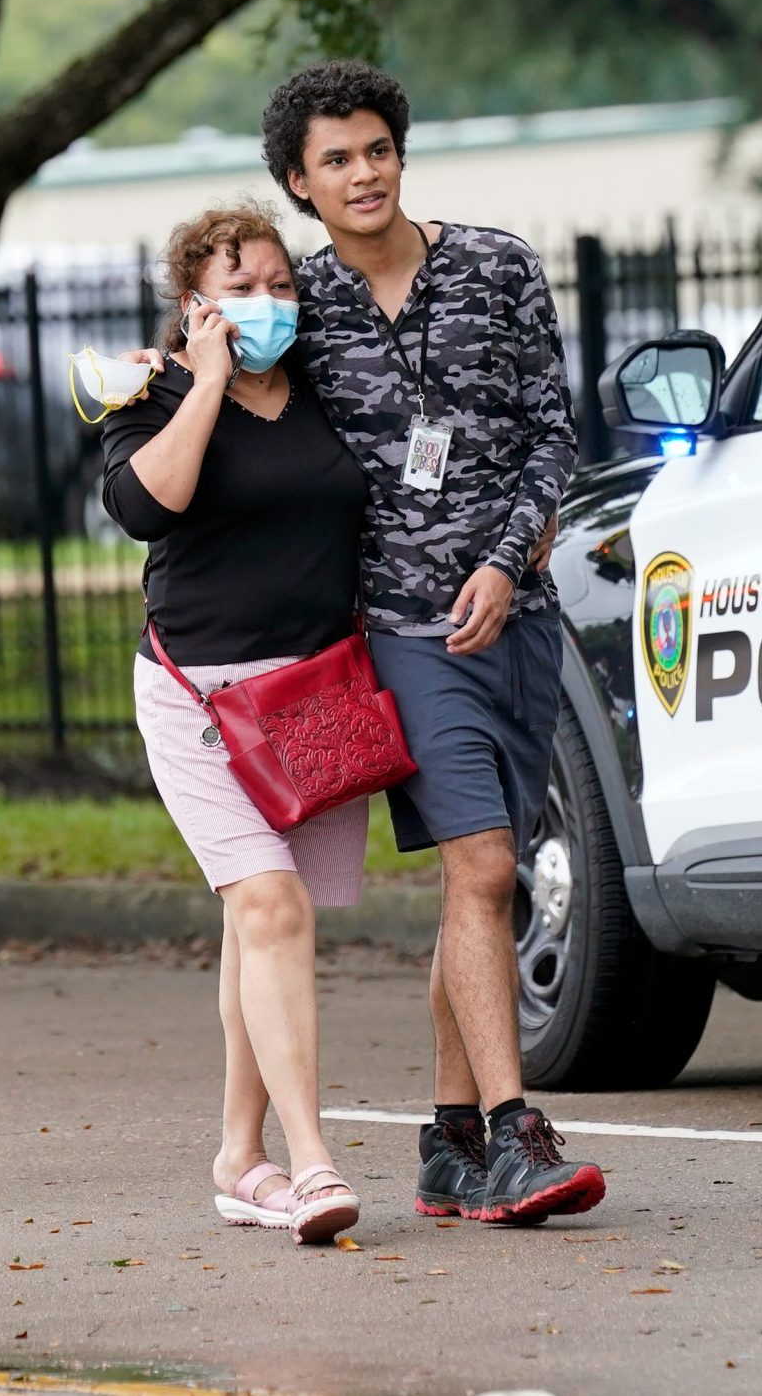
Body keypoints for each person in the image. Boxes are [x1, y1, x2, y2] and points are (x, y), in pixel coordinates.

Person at [261, 61, 605, 1225]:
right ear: (299, 186)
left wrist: (508, 562)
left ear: (400, 152)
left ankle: (449, 1141)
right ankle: (516, 1135)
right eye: (334, 161)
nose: (362, 174)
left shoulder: (497, 266)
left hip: (521, 619)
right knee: (484, 870)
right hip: (403, 638)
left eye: (375, 150)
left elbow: (552, 436)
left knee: (483, 885)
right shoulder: (300, 314)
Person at [98, 202, 368, 1246]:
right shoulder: (148, 390)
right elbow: (143, 506)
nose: (265, 305)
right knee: (271, 906)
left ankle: (236, 1158)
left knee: (258, 928)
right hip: (198, 699)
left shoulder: (328, 389)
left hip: (312, 697)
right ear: (195, 305)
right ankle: (310, 1164)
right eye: (240, 288)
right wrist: (204, 381)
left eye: (279, 284)